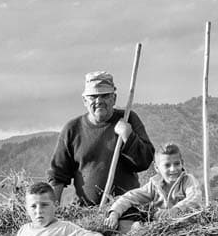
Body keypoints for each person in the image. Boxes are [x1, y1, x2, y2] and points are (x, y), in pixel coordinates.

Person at [47, 71, 156, 212]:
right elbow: (58, 175)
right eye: (93, 96)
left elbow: (145, 161)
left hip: (126, 209)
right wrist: (52, 212)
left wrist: (128, 136)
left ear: (114, 98)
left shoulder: (128, 118)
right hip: (86, 212)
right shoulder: (72, 129)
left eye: (104, 95)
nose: (99, 101)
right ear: (85, 101)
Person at [103, 143, 203, 231]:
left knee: (183, 222)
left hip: (184, 222)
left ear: (182, 163)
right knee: (128, 217)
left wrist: (175, 210)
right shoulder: (155, 184)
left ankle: (140, 229)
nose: (173, 169)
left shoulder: (188, 180)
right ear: (157, 168)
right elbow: (130, 197)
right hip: (161, 224)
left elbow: (194, 198)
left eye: (177, 164)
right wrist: (114, 213)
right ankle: (136, 228)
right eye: (167, 165)